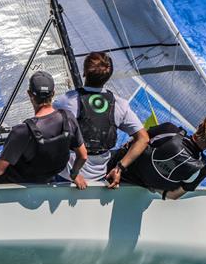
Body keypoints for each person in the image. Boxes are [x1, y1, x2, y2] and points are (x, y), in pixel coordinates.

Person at [0, 71, 89, 188]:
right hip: (48, 175)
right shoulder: (68, 117)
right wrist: (74, 174)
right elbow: (83, 156)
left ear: (29, 94)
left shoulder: (22, 131)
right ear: (53, 93)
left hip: (22, 179)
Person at [54, 51, 148, 184]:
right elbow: (143, 139)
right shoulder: (120, 104)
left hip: (67, 176)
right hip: (99, 177)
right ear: (108, 77)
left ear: (84, 73)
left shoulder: (66, 100)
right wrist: (119, 168)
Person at [106, 116, 206, 200]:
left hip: (113, 170)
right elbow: (173, 195)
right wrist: (152, 185)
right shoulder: (201, 169)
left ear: (199, 126)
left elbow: (137, 141)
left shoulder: (169, 130)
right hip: (138, 190)